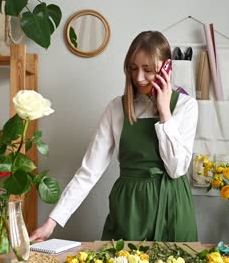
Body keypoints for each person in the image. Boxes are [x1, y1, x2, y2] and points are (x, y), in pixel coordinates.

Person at [30, 31, 198, 242]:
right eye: (133, 68)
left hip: (172, 205)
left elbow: (176, 169)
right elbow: (89, 172)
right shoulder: (116, 109)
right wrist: (51, 222)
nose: (139, 78)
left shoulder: (186, 106)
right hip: (130, 210)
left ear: (166, 68)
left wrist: (165, 113)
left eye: (148, 70)